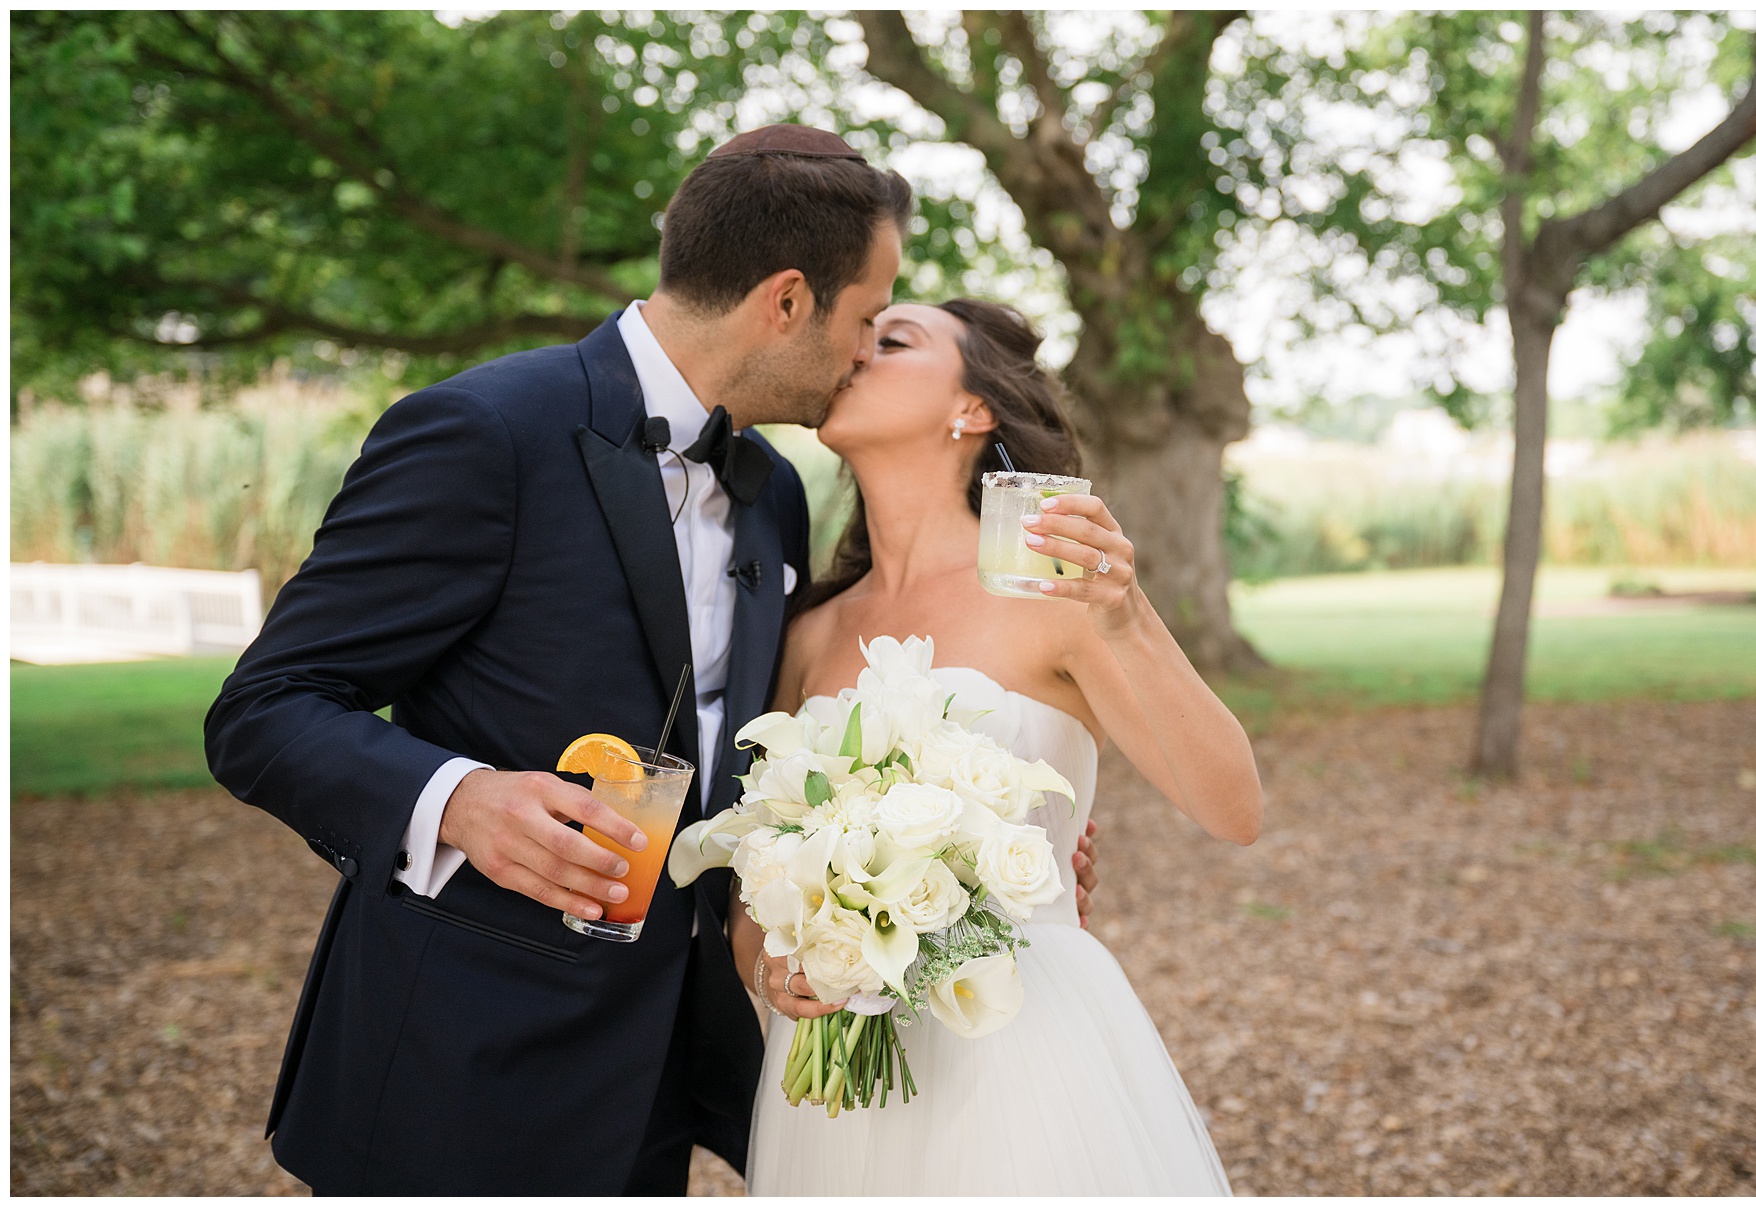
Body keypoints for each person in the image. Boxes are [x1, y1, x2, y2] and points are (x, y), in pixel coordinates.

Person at [206, 125, 1109, 1194]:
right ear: (784, 302)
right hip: (460, 1068)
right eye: (866, 318)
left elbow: (761, 743)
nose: (866, 350)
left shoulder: (772, 489)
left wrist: (965, 838)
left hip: (659, 1076)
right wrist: (459, 800)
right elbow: (263, 707)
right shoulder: (484, 431)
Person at [732, 298, 1263, 1195]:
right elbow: (759, 886)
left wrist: (1127, 618)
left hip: (1023, 1051)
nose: (856, 349)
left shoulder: (1058, 594)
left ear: (971, 410)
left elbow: (1234, 808)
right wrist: (775, 970)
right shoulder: (808, 634)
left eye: (892, 340)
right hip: (838, 1094)